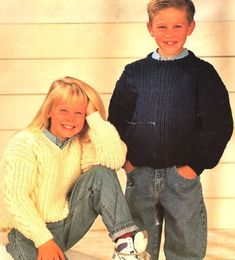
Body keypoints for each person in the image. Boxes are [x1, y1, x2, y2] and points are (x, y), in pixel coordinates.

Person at [108, 0, 234, 259]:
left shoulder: (202, 73)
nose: (169, 33)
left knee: (185, 246)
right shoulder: (134, 73)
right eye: (162, 26)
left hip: (182, 179)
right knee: (136, 246)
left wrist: (194, 167)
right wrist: (127, 162)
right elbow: (116, 121)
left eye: (177, 26)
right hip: (139, 175)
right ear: (150, 28)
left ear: (191, 27)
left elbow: (219, 123)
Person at [0, 76, 149, 260]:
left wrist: (94, 117)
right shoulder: (25, 142)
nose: (71, 118)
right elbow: (15, 198)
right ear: (49, 112)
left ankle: (126, 245)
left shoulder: (79, 144)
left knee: (100, 173)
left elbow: (114, 159)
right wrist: (43, 240)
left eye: (79, 113)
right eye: (63, 110)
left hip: (65, 227)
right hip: (27, 234)